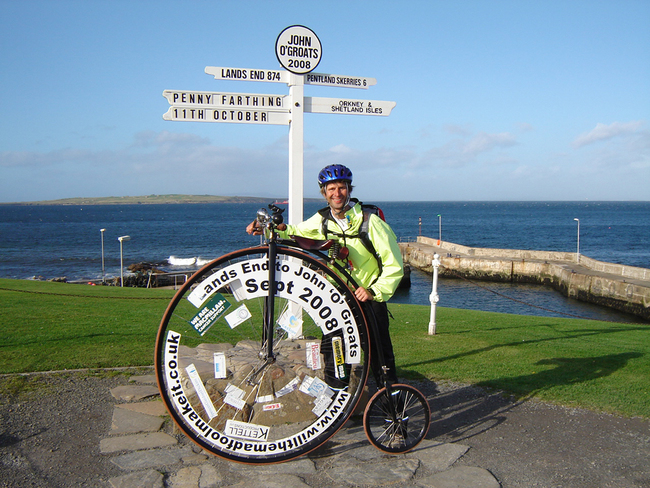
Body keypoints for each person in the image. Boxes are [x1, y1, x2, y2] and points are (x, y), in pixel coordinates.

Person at [246, 164, 404, 384]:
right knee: (335, 355)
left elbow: (394, 263)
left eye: (341, 188)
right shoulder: (322, 220)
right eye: (331, 189)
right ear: (324, 192)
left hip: (367, 297)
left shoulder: (370, 222)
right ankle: (337, 408)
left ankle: (392, 409)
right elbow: (295, 232)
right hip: (338, 298)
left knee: (380, 356)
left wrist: (374, 291)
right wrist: (265, 228)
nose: (336, 193)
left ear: (349, 189)